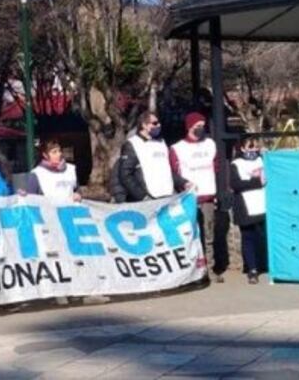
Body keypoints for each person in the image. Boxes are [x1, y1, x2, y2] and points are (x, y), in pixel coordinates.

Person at [170, 112, 229, 282]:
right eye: (197, 125)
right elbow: (174, 172)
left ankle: (209, 268)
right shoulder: (177, 148)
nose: (201, 128)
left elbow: (217, 168)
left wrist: (219, 191)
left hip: (208, 195)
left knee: (209, 233)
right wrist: (183, 185)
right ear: (189, 126)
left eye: (203, 125)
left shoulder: (210, 144)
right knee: (191, 234)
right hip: (189, 198)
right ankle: (193, 269)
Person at [114, 111, 189, 203]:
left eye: (159, 123)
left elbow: (167, 170)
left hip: (167, 195)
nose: (158, 125)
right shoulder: (132, 144)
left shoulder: (161, 143)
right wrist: (141, 196)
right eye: (154, 123)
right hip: (148, 199)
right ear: (144, 125)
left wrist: (184, 182)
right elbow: (125, 175)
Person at [230, 138, 268, 284]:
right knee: (248, 238)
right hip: (245, 206)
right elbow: (235, 184)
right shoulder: (236, 164)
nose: (253, 149)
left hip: (262, 204)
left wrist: (266, 155)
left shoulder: (262, 160)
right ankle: (252, 268)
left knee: (262, 237)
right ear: (242, 148)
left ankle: (263, 263)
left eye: (256, 146)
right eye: (250, 146)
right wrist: (257, 182)